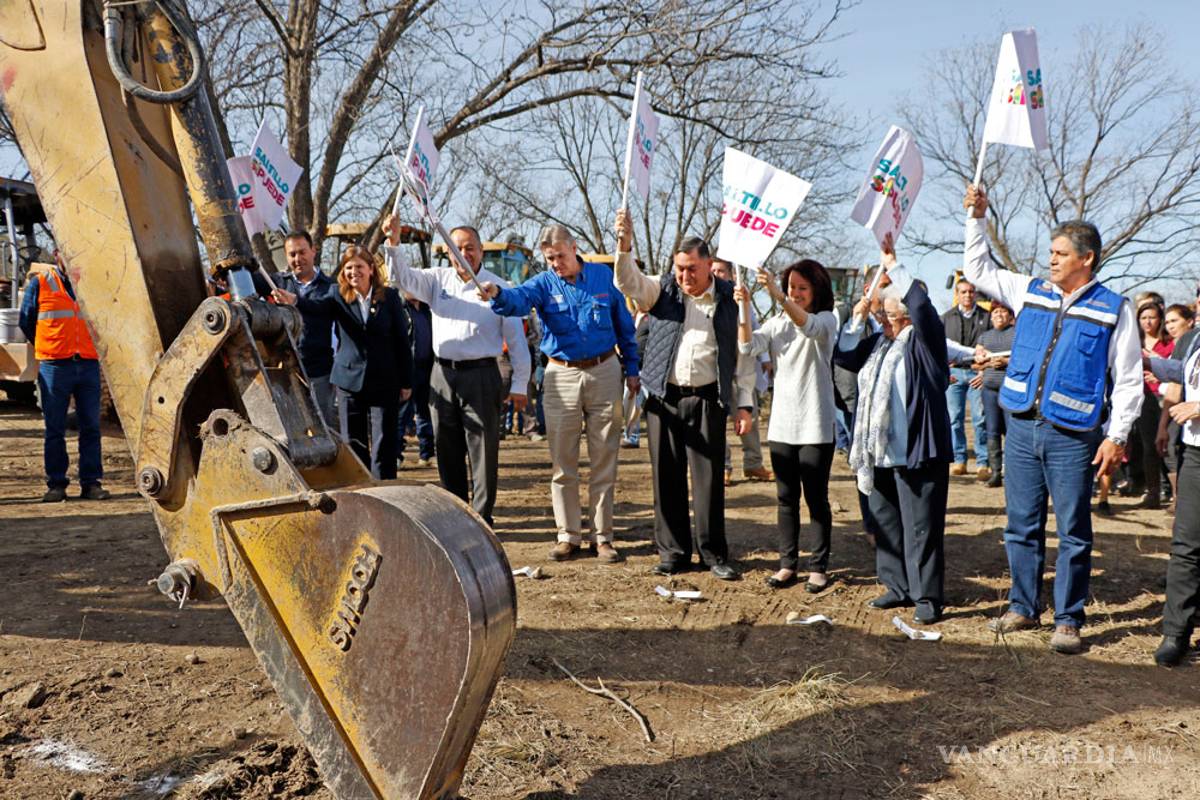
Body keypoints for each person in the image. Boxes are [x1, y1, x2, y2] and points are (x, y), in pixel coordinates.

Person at [963, 185, 1142, 655]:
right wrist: (977, 219)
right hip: (1022, 426)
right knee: (1020, 524)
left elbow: (1127, 380)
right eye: (1050, 252)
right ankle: (1023, 606)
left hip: (1073, 436)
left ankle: (1068, 618)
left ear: (1088, 258)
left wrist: (1116, 436)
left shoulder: (1114, 309)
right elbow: (979, 269)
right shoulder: (1031, 291)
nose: (1051, 261)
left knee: (1073, 530)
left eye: (1061, 254)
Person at [480, 223, 639, 563]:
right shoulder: (543, 283)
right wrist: (497, 294)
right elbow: (518, 300)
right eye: (550, 258)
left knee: (604, 458)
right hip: (560, 376)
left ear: (574, 247)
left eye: (560, 256)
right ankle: (568, 536)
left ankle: (603, 538)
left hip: (606, 371)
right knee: (563, 462)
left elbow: (625, 326)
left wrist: (634, 371)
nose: (555, 263)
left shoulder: (603, 277)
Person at [612, 210, 755, 581]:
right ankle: (673, 552)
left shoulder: (731, 299)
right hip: (663, 399)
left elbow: (741, 357)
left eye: (692, 268)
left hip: (708, 399)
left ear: (709, 266)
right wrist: (624, 245)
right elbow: (627, 282)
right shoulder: (662, 290)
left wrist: (743, 404)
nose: (684, 276)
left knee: (708, 483)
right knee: (666, 478)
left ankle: (713, 553)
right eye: (679, 268)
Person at [380, 216, 530, 526]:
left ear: (481, 251)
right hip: (442, 375)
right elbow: (401, 279)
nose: (463, 253)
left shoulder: (500, 288)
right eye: (456, 248)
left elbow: (516, 341)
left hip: (482, 375)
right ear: (448, 253)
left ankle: (482, 518)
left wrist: (520, 384)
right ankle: (458, 515)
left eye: (470, 247)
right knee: (446, 449)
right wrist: (393, 243)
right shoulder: (437, 280)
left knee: (483, 450)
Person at [834, 234, 952, 625]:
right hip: (879, 451)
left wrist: (893, 264)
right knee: (885, 520)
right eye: (879, 315)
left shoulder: (924, 342)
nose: (880, 320)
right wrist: (857, 316)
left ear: (903, 316)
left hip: (919, 451)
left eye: (886, 314)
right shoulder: (878, 345)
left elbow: (920, 304)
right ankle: (897, 586)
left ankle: (927, 596)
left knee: (921, 527)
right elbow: (845, 357)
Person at [735, 260, 838, 593]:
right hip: (782, 425)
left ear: (817, 290)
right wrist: (745, 306)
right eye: (791, 287)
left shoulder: (826, 320)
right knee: (786, 498)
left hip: (816, 424)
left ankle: (818, 567)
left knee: (816, 497)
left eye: (801, 288)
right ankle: (787, 564)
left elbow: (808, 327)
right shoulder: (777, 323)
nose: (795, 293)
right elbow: (747, 347)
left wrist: (779, 296)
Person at [274, 247, 412, 479]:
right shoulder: (337, 295)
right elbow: (316, 306)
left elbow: (402, 342)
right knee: (353, 442)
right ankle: (362, 486)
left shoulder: (389, 298)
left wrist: (406, 381)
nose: (354, 272)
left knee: (384, 443)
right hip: (349, 382)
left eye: (359, 266)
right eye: (349, 267)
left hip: (385, 381)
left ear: (370, 269)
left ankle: (385, 489)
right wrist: (294, 300)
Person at [18, 251, 111, 502]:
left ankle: (91, 484)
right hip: (55, 366)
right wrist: (49, 346)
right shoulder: (41, 282)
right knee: (55, 429)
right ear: (57, 254)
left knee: (91, 427)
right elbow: (26, 321)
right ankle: (56, 485)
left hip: (88, 364)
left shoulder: (90, 284)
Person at [1146, 282, 1200, 665]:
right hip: (1195, 453)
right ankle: (1175, 632)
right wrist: (1144, 360)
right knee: (1186, 545)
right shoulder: (1194, 339)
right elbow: (1180, 373)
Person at [712, 258, 772, 486]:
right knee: (717, 422)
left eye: (721, 271)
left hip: (742, 369)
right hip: (716, 371)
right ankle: (723, 466)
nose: (716, 274)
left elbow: (754, 330)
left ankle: (753, 463)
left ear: (731, 274)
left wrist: (765, 359)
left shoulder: (741, 299)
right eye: (713, 270)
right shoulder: (706, 297)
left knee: (750, 417)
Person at [274, 231, 337, 426]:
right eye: (292, 254)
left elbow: (322, 307)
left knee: (323, 426)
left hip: (320, 373)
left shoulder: (331, 287)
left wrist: (295, 301)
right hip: (285, 371)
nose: (297, 258)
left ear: (313, 251)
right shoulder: (278, 282)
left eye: (302, 252)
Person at [941, 278, 991, 479]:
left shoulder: (986, 318)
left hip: (977, 374)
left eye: (971, 292)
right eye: (963, 292)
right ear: (957, 294)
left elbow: (992, 347)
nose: (968, 295)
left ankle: (982, 462)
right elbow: (939, 346)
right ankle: (959, 459)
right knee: (955, 419)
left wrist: (984, 372)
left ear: (975, 294)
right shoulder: (945, 318)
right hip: (954, 375)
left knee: (980, 419)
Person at [1157, 303, 1197, 506]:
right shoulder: (1187, 342)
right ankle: (1178, 501)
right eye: (1168, 322)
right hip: (1185, 425)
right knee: (1172, 451)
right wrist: (1163, 426)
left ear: (1189, 321)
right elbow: (1175, 384)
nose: (1170, 326)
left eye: (1175, 320)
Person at [1135, 299, 1173, 509]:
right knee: (1148, 446)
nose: (1148, 322)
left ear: (1160, 319)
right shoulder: (1134, 342)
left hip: (1167, 397)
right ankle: (1153, 492)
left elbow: (1177, 370)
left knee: (1169, 447)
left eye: (1152, 317)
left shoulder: (1170, 343)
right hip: (1143, 398)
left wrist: (1158, 368)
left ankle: (1174, 492)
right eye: (1143, 318)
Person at [975, 302, 1015, 488]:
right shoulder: (984, 337)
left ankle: (1012, 471)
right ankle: (996, 472)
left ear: (1010, 316)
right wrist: (990, 363)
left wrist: (1006, 361)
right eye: (996, 312)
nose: (999, 315)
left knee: (1011, 431)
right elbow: (975, 364)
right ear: (991, 316)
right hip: (989, 391)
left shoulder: (1016, 334)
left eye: (1003, 312)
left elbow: (1025, 359)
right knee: (991, 430)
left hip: (1010, 391)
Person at [399, 294, 435, 466]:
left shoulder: (429, 309)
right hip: (406, 369)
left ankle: (427, 453)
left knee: (425, 412)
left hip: (428, 367)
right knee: (402, 414)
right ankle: (396, 455)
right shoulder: (399, 308)